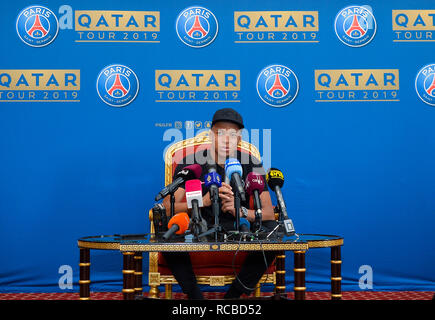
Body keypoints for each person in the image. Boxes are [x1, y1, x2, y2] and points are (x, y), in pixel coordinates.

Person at [162, 108, 278, 299]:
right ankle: (195, 296)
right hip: (198, 229)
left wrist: (240, 211)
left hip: (239, 230)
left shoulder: (250, 162)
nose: (226, 139)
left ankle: (233, 295)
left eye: (232, 134)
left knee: (275, 231)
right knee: (165, 230)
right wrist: (204, 202)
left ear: (239, 138)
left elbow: (267, 212)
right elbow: (167, 207)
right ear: (211, 135)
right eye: (220, 133)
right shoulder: (192, 162)